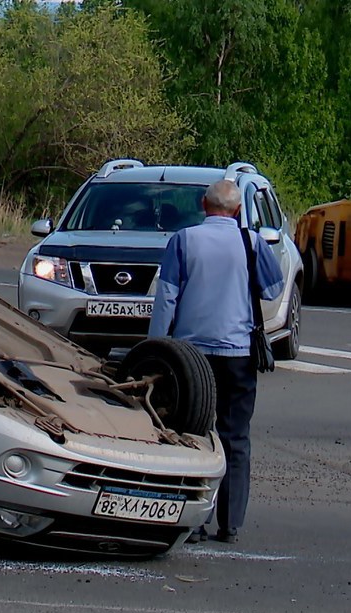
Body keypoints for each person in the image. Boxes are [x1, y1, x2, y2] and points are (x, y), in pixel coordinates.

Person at [149, 180, 284, 544]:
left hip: (191, 357)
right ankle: (231, 523)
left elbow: (167, 298)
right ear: (238, 211)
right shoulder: (251, 242)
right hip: (238, 353)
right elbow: (273, 289)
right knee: (235, 436)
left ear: (202, 205)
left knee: (193, 433)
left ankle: (194, 521)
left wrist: (155, 348)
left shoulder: (184, 240)